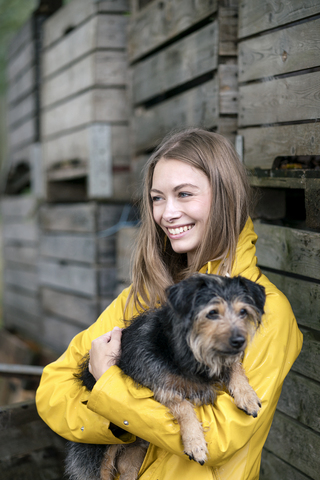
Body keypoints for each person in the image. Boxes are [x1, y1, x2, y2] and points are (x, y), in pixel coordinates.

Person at [36, 128, 303, 480]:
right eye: (157, 198)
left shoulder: (264, 311)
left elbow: (221, 436)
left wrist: (112, 389)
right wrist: (116, 426)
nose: (167, 213)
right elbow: (53, 388)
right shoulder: (144, 294)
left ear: (225, 198)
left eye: (184, 194)